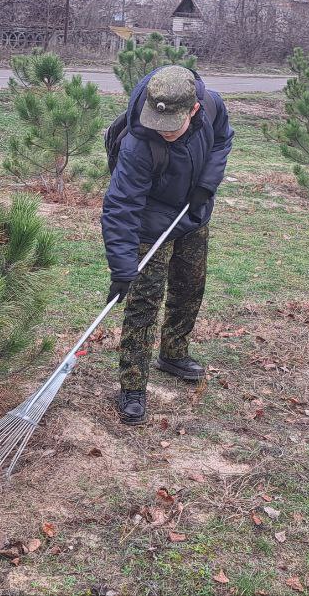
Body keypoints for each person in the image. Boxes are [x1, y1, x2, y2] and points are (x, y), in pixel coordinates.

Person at [101, 65, 233, 425]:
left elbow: (223, 139)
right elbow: (121, 207)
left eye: (172, 127)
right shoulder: (138, 144)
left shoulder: (211, 105)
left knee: (190, 287)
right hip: (149, 222)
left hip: (193, 211)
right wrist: (123, 267)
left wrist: (207, 183)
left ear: (193, 110)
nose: (164, 133)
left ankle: (174, 353)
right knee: (144, 303)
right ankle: (132, 387)